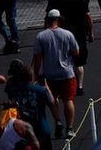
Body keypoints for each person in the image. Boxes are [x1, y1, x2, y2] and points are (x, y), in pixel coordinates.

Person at [32, 9, 78, 140]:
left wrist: (36, 73)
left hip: (50, 74)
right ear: (58, 19)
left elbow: (38, 58)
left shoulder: (41, 36)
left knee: (52, 100)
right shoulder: (68, 34)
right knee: (68, 100)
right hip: (67, 73)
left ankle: (58, 120)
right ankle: (70, 128)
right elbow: (75, 52)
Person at [45, 0, 92, 98]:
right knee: (79, 61)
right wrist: (90, 31)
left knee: (63, 59)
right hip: (79, 33)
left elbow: (47, 18)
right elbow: (88, 17)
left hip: (60, 33)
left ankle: (63, 86)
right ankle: (80, 86)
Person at [3, 61, 53, 150]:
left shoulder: (15, 91)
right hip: (41, 127)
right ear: (31, 77)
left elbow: (10, 101)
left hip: (23, 131)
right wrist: (47, 88)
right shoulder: (40, 90)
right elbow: (51, 101)